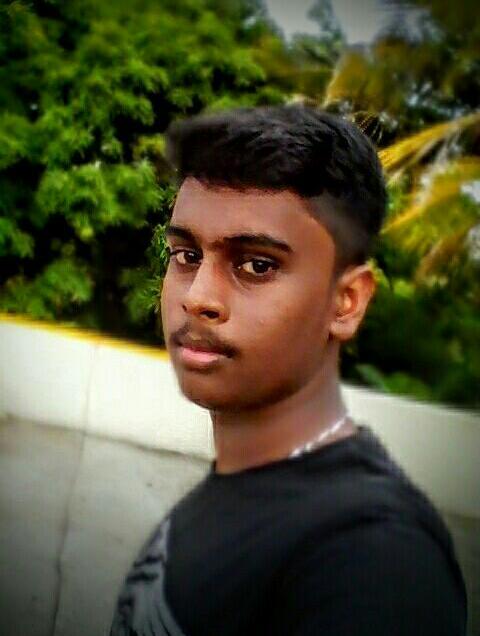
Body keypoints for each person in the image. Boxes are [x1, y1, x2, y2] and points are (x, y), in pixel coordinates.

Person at [109, 105, 467, 635]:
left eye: (256, 265)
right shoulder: (239, 488)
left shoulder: (372, 560)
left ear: (346, 302)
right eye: (186, 254)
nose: (198, 297)